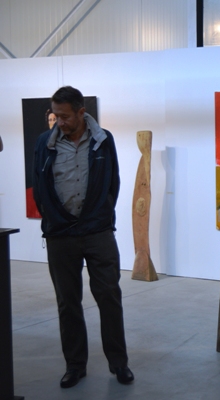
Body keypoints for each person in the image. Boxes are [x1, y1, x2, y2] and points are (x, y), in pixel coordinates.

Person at [32, 86, 134, 388]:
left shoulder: (104, 140)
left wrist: (101, 215)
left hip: (97, 231)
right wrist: (53, 218)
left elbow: (113, 183)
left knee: (109, 296)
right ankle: (75, 365)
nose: (59, 121)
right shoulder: (44, 143)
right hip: (60, 234)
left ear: (81, 112)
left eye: (65, 116)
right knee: (67, 302)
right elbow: (39, 185)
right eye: (55, 115)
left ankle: (119, 363)